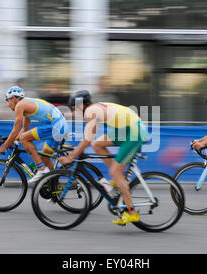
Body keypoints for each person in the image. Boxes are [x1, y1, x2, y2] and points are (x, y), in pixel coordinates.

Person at [58, 90, 149, 225]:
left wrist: (71, 157)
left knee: (114, 172)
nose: (75, 112)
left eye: (74, 108)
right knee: (98, 144)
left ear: (81, 106)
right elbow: (90, 139)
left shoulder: (90, 111)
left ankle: (132, 212)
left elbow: (87, 138)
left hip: (134, 132)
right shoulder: (95, 108)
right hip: (127, 129)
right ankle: (120, 178)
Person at [0, 86, 69, 183]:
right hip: (60, 126)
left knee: (24, 138)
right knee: (44, 157)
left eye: (8, 101)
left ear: (14, 98)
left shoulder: (20, 105)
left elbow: (16, 129)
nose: (8, 104)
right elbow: (24, 129)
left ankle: (41, 169)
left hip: (57, 127)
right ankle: (56, 187)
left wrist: (4, 147)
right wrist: (13, 141)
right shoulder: (26, 104)